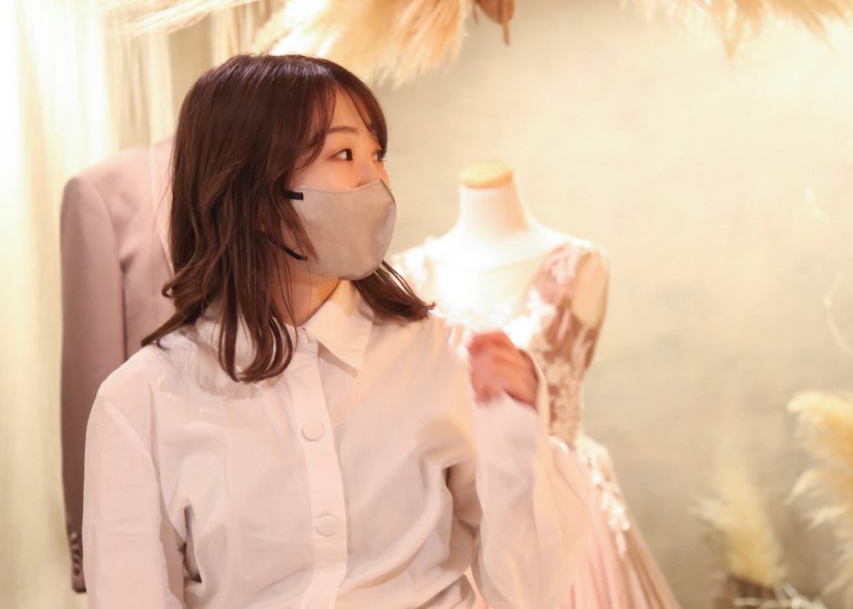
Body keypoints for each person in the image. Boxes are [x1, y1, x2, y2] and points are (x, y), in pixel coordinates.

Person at [81, 53, 592, 608]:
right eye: (343, 154)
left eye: (377, 153)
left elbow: (529, 588)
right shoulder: (141, 399)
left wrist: (515, 431)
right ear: (252, 193)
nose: (375, 178)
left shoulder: (445, 357)